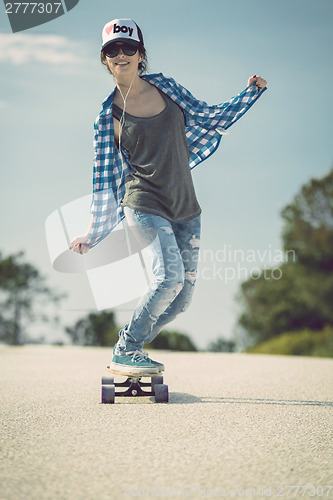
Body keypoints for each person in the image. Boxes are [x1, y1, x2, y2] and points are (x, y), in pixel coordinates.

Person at [69, 18, 267, 374]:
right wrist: (92, 231)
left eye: (129, 47)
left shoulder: (166, 87)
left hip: (186, 207)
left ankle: (133, 342)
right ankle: (126, 348)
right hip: (143, 203)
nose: (121, 55)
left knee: (181, 300)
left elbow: (209, 115)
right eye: (113, 50)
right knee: (168, 278)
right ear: (105, 60)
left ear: (140, 53)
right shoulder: (107, 117)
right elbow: (105, 180)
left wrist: (249, 93)